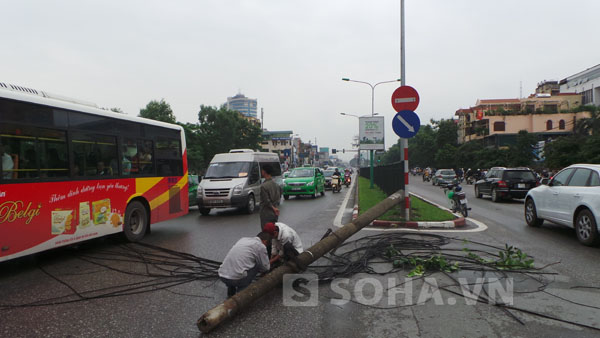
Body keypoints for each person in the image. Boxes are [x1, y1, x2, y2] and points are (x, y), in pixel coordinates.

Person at [218, 232, 272, 297]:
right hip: (236, 280)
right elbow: (266, 267)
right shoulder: (261, 246)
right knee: (257, 265)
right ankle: (242, 292)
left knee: (236, 268)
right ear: (265, 241)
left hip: (222, 276)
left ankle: (231, 293)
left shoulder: (243, 239)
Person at [259, 165, 281, 229]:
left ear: (264, 172)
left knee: (266, 232)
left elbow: (266, 201)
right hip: (275, 213)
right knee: (273, 230)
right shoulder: (276, 185)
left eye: (262, 170)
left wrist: (273, 208)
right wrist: (275, 208)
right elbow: (278, 198)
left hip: (266, 213)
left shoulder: (263, 186)